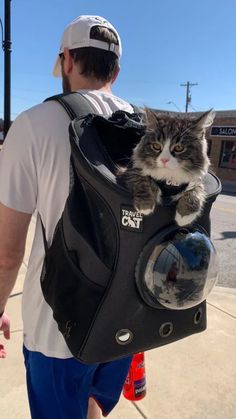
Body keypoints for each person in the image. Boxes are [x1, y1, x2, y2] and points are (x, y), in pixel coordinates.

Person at [0, 15, 134, 419]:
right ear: (116, 69)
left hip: (57, 328)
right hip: (125, 317)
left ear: (68, 60)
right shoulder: (144, 129)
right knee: (94, 405)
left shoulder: (34, 125)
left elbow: (7, 253)